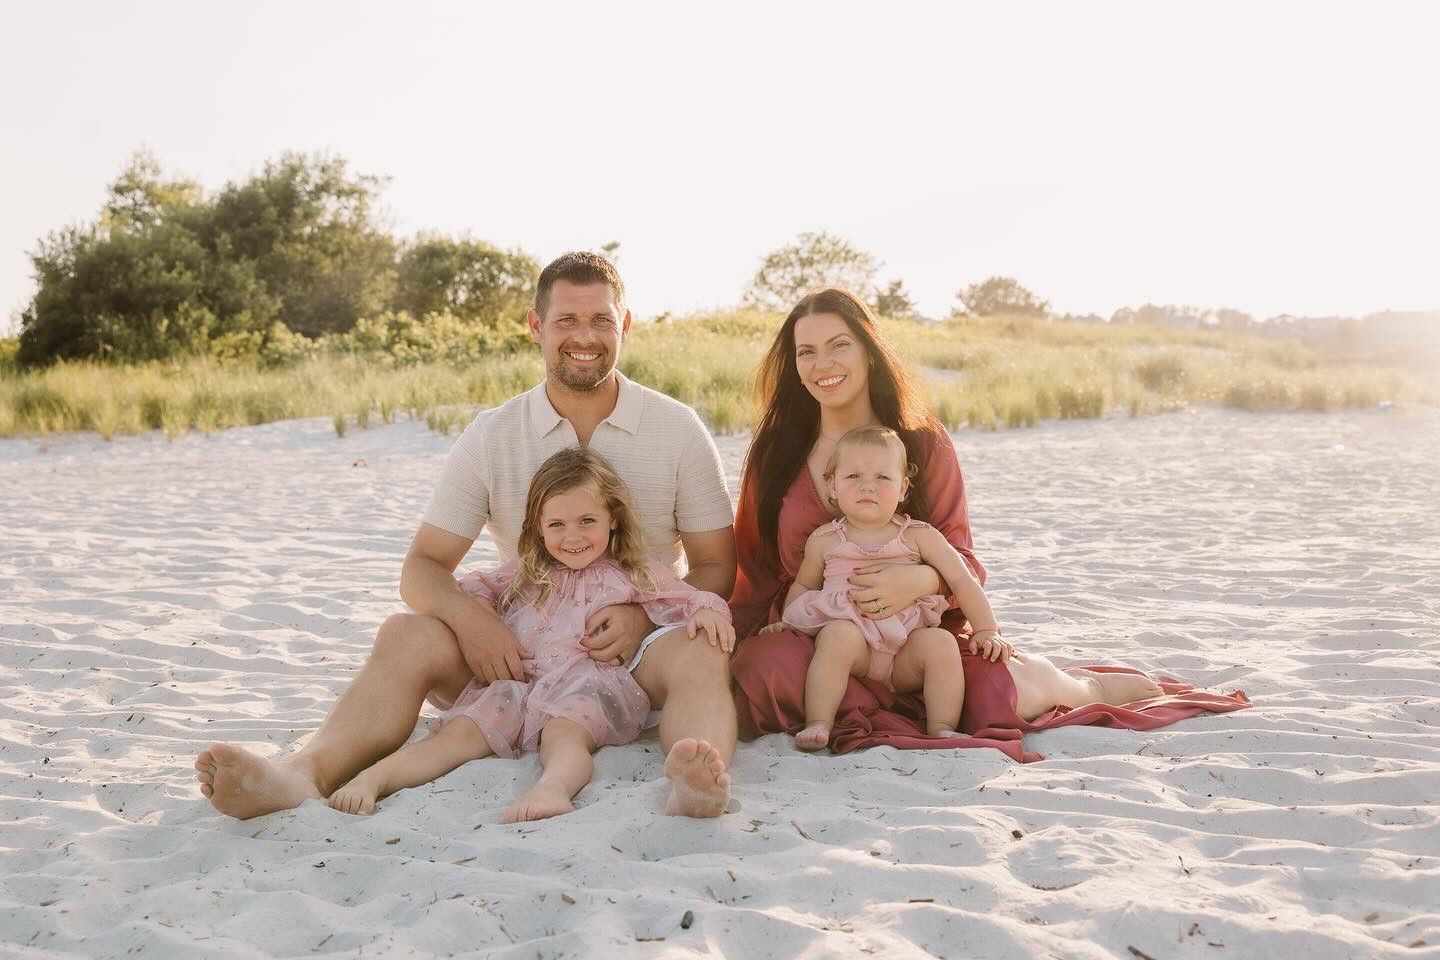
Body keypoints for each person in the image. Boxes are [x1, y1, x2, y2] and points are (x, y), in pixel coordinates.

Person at [197, 252, 738, 819]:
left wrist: (643, 617)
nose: (585, 337)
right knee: (405, 633)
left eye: (601, 320)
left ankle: (692, 782)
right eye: (566, 321)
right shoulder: (492, 434)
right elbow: (423, 567)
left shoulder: (676, 428)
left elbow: (715, 567)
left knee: (704, 647)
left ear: (624, 326)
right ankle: (301, 775)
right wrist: (473, 621)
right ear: (536, 326)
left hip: (634, 653)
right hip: (519, 647)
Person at [729, 289, 1249, 760]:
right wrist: (736, 638)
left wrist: (921, 579)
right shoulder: (777, 453)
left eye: (839, 345)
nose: (824, 364)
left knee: (990, 694)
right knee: (762, 670)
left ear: (868, 350)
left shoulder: (922, 444)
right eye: (806, 352)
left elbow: (963, 561)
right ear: (793, 365)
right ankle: (852, 704)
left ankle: (1081, 686)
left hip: (918, 639)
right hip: (824, 637)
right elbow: (753, 567)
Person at [329, 447, 734, 820]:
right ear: (538, 529)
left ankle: (553, 789)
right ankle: (376, 778)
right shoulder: (526, 573)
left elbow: (690, 598)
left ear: (614, 519)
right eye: (557, 524)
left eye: (587, 521)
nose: (572, 537)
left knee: (564, 736)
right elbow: (472, 590)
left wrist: (710, 611)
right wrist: (481, 614)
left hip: (585, 686)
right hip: (518, 685)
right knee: (459, 735)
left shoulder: (633, 573)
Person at [761, 424, 1008, 749]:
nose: (868, 487)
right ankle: (819, 722)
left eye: (882, 477)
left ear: (903, 487)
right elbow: (805, 585)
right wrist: (785, 620)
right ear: (832, 485)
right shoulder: (825, 540)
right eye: (853, 477)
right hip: (857, 652)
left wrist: (987, 629)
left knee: (940, 643)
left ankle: (942, 726)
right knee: (835, 636)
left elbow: (963, 579)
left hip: (906, 650)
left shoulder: (919, 536)